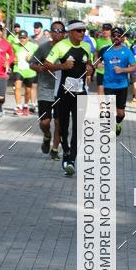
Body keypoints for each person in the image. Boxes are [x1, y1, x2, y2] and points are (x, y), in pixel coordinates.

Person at [45, 20, 93, 176]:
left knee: (78, 128)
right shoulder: (60, 46)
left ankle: (71, 160)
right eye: (79, 31)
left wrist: (90, 69)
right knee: (63, 127)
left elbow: (90, 66)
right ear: (71, 32)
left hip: (81, 93)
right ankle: (65, 151)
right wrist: (62, 66)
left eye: (84, 31)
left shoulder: (86, 47)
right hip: (64, 93)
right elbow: (46, 65)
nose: (82, 33)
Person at [29, 21, 65, 157]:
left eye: (60, 31)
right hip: (45, 89)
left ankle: (55, 149)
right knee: (45, 122)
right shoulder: (43, 48)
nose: (57, 33)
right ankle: (46, 135)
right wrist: (41, 68)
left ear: (64, 34)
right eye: (55, 30)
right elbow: (32, 64)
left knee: (58, 121)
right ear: (50, 32)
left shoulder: (67, 49)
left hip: (61, 90)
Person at [102, 27, 136, 136]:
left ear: (122, 38)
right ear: (111, 37)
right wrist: (97, 65)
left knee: (121, 113)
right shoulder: (105, 50)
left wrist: (122, 70)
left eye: (119, 36)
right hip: (108, 85)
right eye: (114, 35)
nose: (116, 38)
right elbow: (95, 62)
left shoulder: (127, 51)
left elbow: (135, 67)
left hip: (122, 85)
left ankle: (118, 122)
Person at [11, 30, 37, 115]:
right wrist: (13, 59)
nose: (22, 39)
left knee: (28, 91)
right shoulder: (15, 45)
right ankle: (18, 106)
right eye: (20, 38)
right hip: (18, 69)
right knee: (17, 86)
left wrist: (32, 58)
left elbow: (39, 56)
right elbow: (9, 54)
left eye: (24, 38)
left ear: (27, 38)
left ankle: (25, 105)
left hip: (30, 71)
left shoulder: (34, 46)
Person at [94, 22, 113, 95]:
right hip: (101, 70)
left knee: (109, 91)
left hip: (111, 71)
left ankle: (110, 106)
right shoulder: (98, 41)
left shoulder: (113, 41)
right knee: (100, 89)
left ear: (111, 31)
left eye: (107, 29)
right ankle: (101, 106)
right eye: (103, 29)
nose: (105, 31)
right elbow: (96, 54)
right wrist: (96, 63)